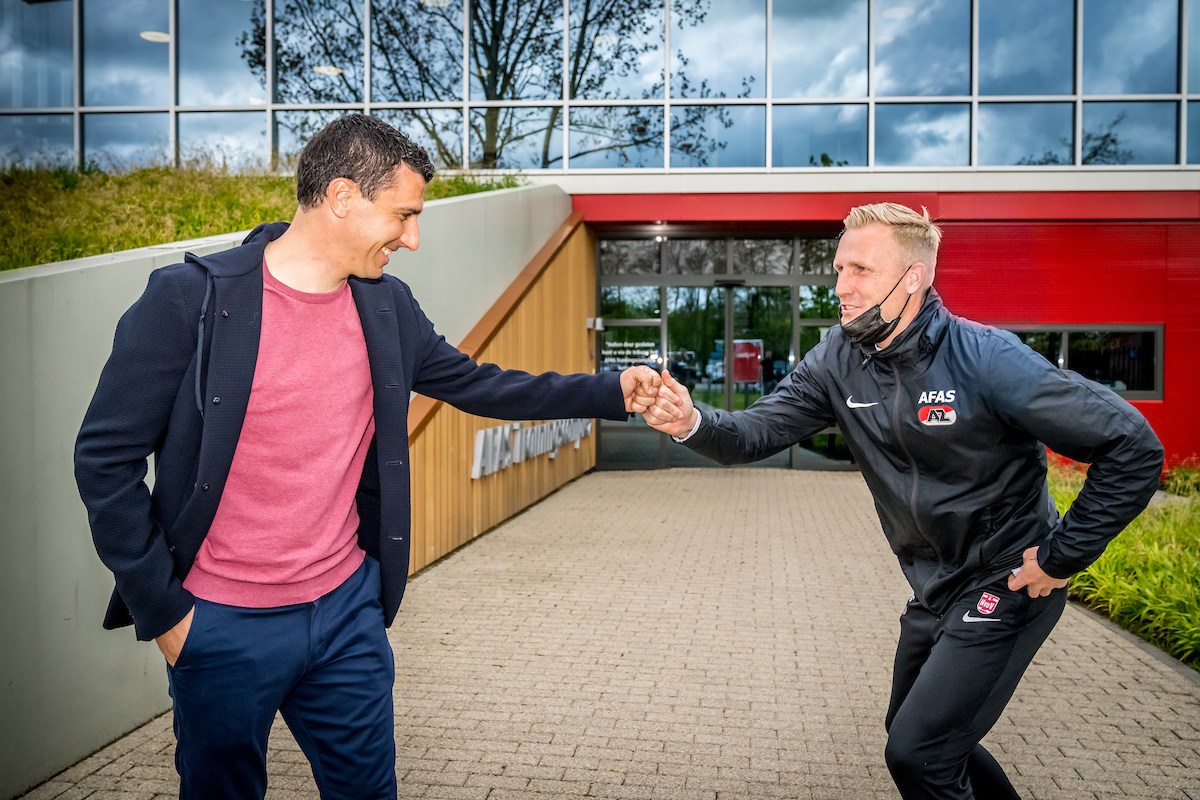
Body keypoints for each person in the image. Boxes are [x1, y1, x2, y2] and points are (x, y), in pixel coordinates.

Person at [74, 113, 661, 800]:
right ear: (344, 196)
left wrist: (613, 389)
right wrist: (167, 614)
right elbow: (104, 460)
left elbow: (480, 384)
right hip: (220, 624)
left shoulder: (386, 308)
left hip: (345, 615)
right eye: (404, 215)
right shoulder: (191, 299)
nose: (412, 239)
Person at [641, 202, 1164, 800]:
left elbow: (1132, 446)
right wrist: (690, 421)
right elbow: (753, 434)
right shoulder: (837, 361)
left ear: (912, 278)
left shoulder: (985, 359)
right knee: (917, 738)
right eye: (839, 269)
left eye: (860, 270)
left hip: (1008, 581)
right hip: (933, 586)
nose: (840, 287)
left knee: (919, 753)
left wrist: (1060, 556)